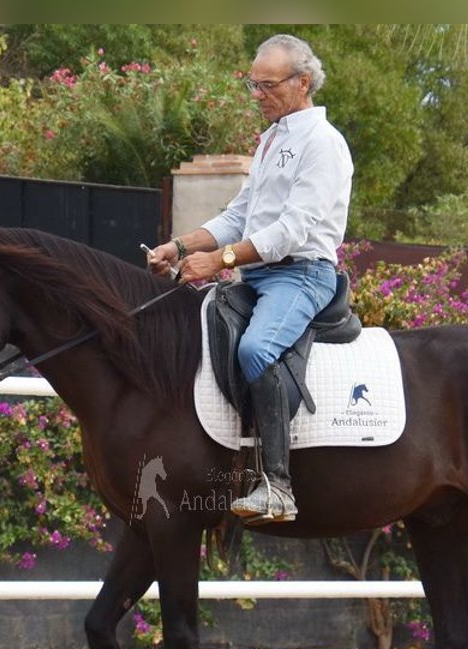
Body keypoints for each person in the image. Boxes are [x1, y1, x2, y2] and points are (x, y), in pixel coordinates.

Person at [148, 33, 353, 523]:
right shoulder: (273, 140)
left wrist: (219, 261)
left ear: (303, 83)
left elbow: (291, 231)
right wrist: (178, 246)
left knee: (256, 349)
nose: (256, 95)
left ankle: (279, 486)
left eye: (267, 85)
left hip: (302, 275)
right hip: (260, 276)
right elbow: (239, 215)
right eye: (252, 85)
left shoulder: (323, 144)